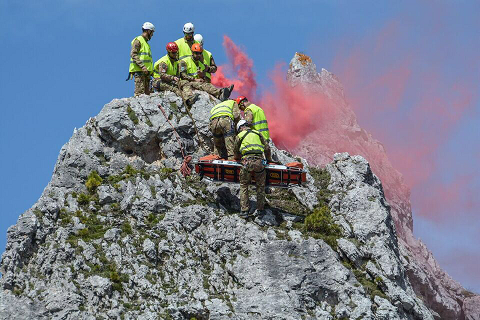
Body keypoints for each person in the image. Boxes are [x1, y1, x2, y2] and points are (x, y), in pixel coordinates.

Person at [234, 120, 273, 217]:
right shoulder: (257, 133)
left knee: (244, 185)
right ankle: (260, 210)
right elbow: (267, 148)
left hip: (246, 162)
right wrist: (268, 160)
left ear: (241, 128)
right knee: (260, 186)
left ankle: (244, 211)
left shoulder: (240, 135)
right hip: (259, 162)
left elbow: (235, 149)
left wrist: (237, 158)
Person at [152, 42, 198, 107]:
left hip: (169, 80)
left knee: (185, 82)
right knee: (174, 88)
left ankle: (189, 96)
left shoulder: (176, 62)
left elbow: (177, 74)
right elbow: (162, 75)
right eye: (173, 53)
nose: (175, 54)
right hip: (158, 81)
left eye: (176, 52)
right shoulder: (164, 62)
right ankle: (187, 100)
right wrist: (173, 78)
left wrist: (177, 79)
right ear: (169, 52)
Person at [128, 22, 155, 96]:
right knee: (139, 95)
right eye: (152, 32)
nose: (152, 35)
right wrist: (142, 66)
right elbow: (133, 54)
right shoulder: (138, 40)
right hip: (140, 72)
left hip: (146, 73)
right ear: (148, 31)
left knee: (148, 95)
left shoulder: (146, 43)